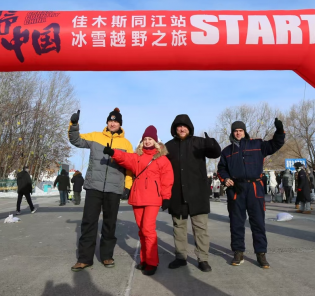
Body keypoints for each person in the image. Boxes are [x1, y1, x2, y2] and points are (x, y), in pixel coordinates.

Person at [68, 108, 134, 272]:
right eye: (111, 120)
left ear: (120, 124)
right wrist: (74, 125)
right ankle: (84, 259)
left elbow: (130, 167)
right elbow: (76, 140)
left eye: (116, 121)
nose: (113, 123)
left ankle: (106, 256)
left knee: (109, 224)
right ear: (107, 122)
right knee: (89, 222)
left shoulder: (126, 144)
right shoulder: (95, 136)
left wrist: (127, 186)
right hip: (94, 187)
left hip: (114, 189)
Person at [106, 125, 174, 276]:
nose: (147, 141)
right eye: (145, 139)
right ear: (142, 142)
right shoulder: (137, 157)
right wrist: (112, 152)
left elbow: (167, 180)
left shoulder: (162, 159)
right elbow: (125, 158)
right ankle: (144, 260)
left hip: (153, 198)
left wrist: (167, 197)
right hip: (138, 197)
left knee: (148, 229)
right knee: (142, 230)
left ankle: (152, 262)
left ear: (156, 142)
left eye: (150, 139)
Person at [218, 118, 285, 269]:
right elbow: (221, 169)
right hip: (236, 189)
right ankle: (238, 252)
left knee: (258, 222)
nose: (238, 133)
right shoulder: (227, 151)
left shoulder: (257, 145)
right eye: (235, 131)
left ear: (244, 131)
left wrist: (280, 131)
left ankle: (261, 254)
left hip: (255, 188)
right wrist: (225, 179)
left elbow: (275, 144)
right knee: (236, 223)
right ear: (232, 132)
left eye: (240, 130)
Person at [165, 114, 221, 273]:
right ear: (175, 129)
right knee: (179, 228)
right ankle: (180, 257)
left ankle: (203, 259)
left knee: (200, 229)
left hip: (198, 194)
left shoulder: (200, 142)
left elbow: (215, 153)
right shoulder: (168, 146)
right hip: (177, 195)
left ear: (189, 128)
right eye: (178, 126)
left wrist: (213, 144)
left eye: (185, 126)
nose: (182, 129)